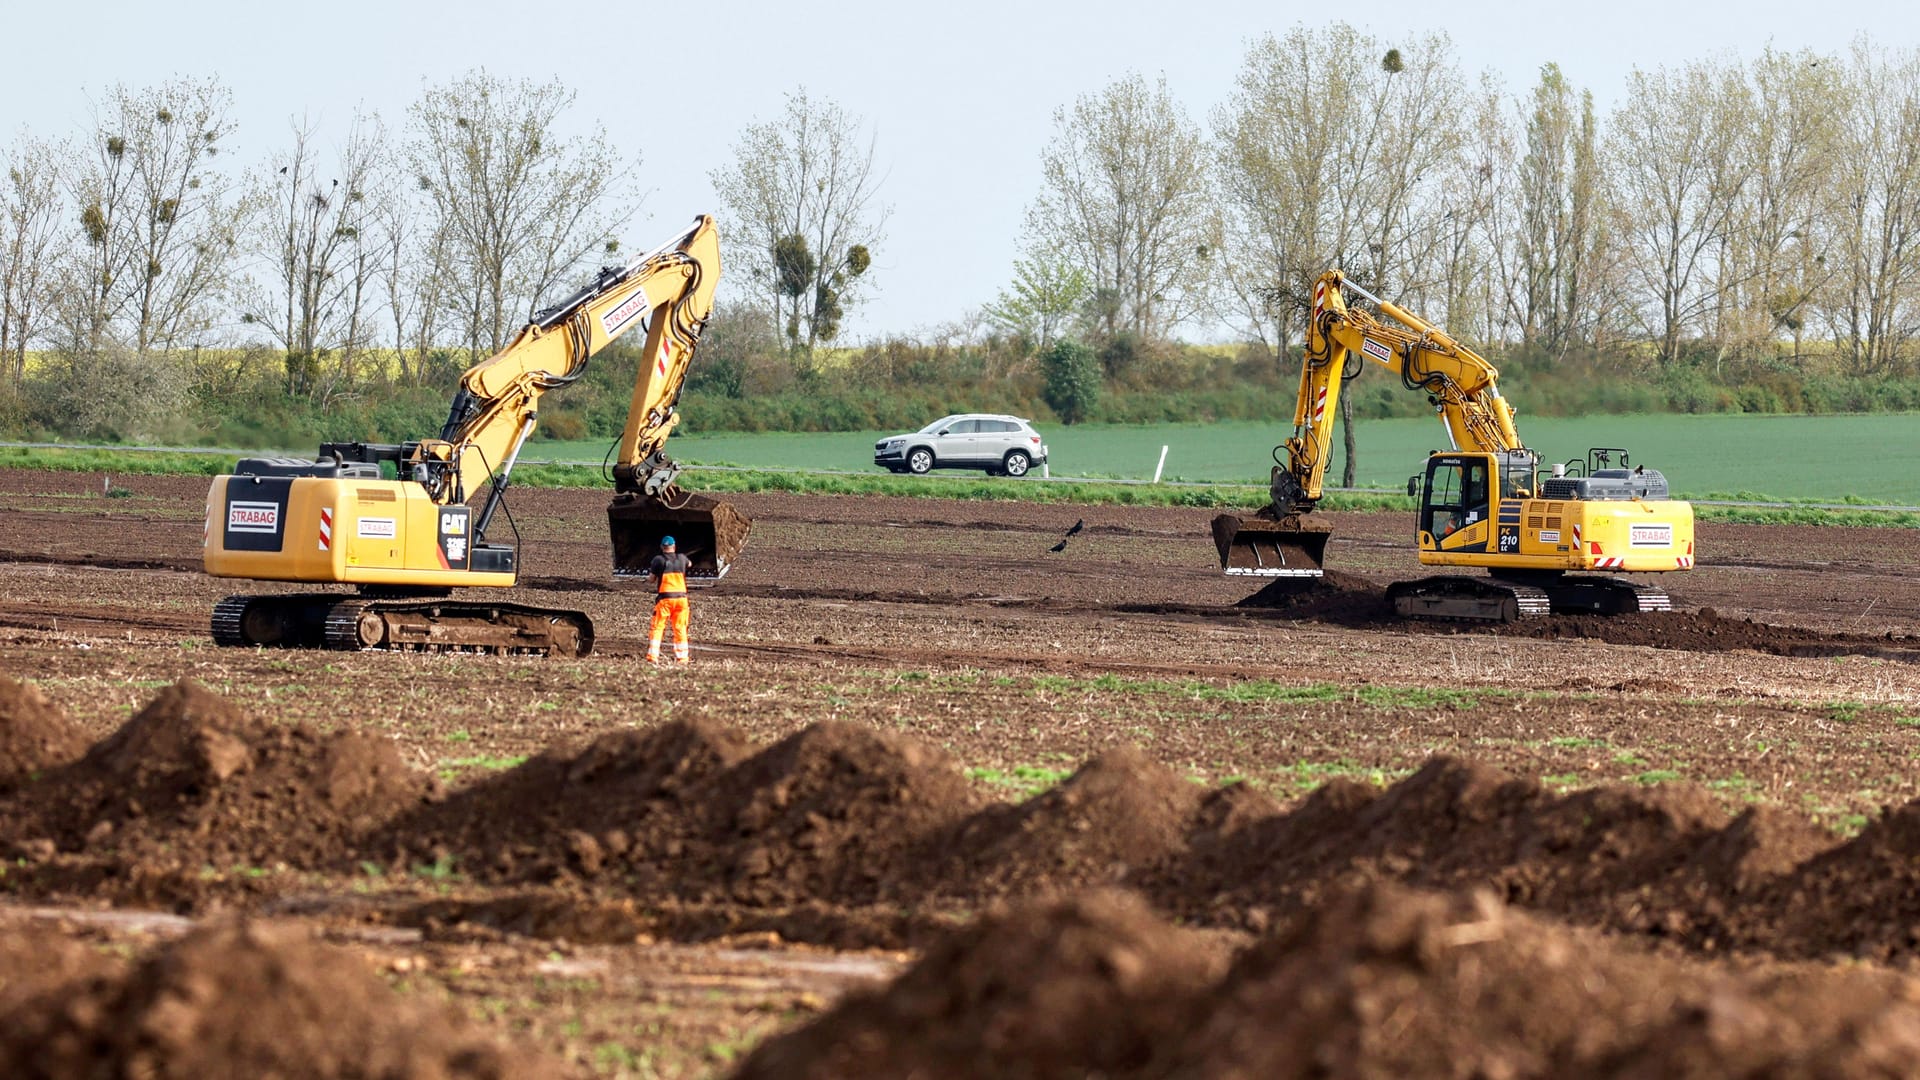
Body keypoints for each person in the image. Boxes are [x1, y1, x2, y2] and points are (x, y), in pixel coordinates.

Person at [647, 535, 692, 664]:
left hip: (665, 599)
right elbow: (690, 564)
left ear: (662, 547)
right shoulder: (682, 558)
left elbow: (651, 579)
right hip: (682, 600)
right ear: (674, 547)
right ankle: (682, 658)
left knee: (658, 626)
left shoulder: (658, 560)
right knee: (680, 628)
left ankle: (653, 657)